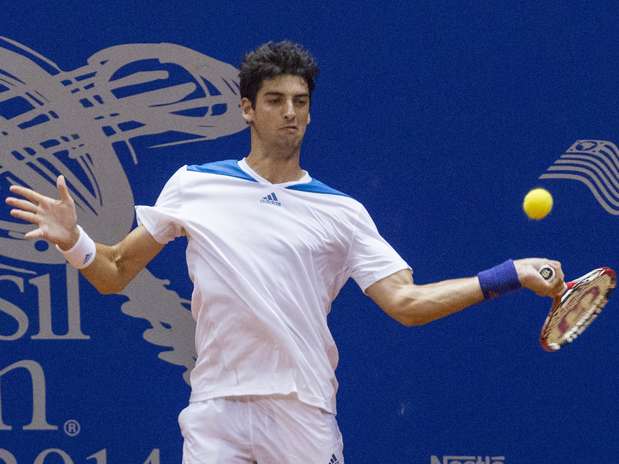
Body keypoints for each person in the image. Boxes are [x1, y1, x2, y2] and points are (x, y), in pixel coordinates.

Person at [5, 41, 566, 463]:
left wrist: (508, 273)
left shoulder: (341, 211)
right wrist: (74, 241)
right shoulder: (193, 183)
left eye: (300, 101)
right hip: (216, 409)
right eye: (275, 100)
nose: (290, 112)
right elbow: (115, 272)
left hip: (302, 411)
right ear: (247, 108)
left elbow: (406, 302)